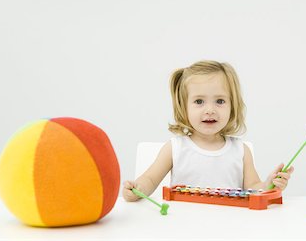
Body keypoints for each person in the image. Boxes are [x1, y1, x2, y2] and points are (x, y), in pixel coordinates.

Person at [123, 60, 293, 201]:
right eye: (199, 102)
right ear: (184, 107)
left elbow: (254, 188)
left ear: (232, 106)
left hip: (230, 226)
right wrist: (137, 189)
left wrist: (268, 184)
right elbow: (150, 179)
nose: (210, 110)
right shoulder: (175, 147)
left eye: (219, 101)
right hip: (183, 225)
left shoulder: (241, 151)